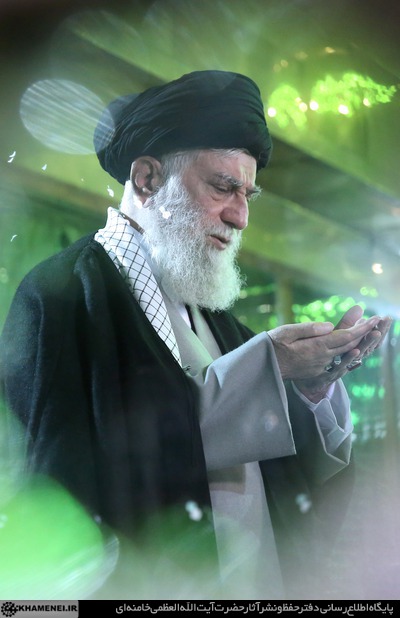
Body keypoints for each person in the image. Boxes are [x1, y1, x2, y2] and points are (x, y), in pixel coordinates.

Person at [0, 70, 391, 600]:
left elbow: (283, 474)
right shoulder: (62, 295)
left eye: (248, 194)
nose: (241, 216)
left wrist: (312, 390)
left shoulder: (216, 317)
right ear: (146, 178)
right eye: (223, 187)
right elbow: (70, 482)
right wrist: (269, 365)